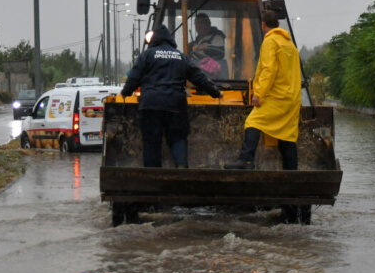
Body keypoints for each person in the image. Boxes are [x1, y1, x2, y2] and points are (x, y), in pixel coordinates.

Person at [121, 24, 222, 168]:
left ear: (154, 40)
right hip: (175, 105)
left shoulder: (146, 56)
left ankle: (152, 174)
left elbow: (134, 77)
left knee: (151, 140)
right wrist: (215, 92)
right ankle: (181, 169)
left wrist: (126, 92)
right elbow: (199, 77)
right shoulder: (181, 57)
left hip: (151, 105)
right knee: (178, 138)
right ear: (170, 40)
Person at [225, 10, 301, 170]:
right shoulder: (289, 44)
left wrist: (258, 94)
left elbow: (268, 69)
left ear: (263, 25)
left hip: (276, 96)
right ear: (278, 24)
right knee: (287, 134)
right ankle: (292, 172)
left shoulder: (270, 42)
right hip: (291, 98)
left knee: (253, 121)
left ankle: (246, 160)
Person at [190, 13, 227, 79]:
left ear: (208, 24)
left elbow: (219, 52)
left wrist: (206, 47)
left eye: (203, 23)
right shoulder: (196, 41)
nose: (200, 27)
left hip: (216, 77)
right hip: (198, 76)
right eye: (197, 25)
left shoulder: (217, 37)